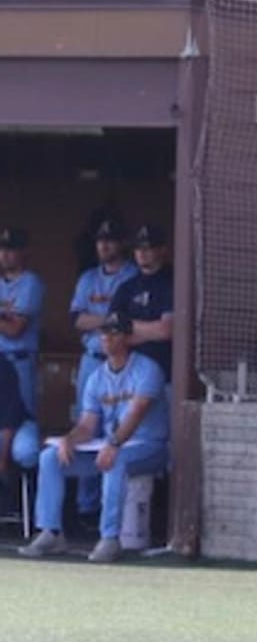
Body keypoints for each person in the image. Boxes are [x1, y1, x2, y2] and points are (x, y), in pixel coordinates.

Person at [19, 310, 169, 564]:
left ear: (128, 338)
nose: (107, 338)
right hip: (110, 446)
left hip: (149, 446)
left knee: (115, 460)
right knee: (50, 457)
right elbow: (88, 425)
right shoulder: (97, 376)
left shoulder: (147, 369)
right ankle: (51, 532)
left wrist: (113, 443)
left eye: (114, 333)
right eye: (104, 333)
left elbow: (136, 414)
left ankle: (110, 538)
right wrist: (69, 440)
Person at [69, 218, 138, 517]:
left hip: (124, 363)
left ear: (122, 243)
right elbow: (77, 320)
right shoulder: (88, 278)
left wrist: (98, 319)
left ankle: (113, 508)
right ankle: (86, 506)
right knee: (87, 427)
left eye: (110, 240)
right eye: (100, 240)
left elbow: (129, 322)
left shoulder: (132, 275)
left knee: (120, 428)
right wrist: (110, 319)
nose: (104, 245)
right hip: (92, 360)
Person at [110, 223, 175, 388]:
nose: (142, 253)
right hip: (131, 377)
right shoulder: (127, 287)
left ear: (162, 249)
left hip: (165, 375)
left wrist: (129, 326)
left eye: (149, 247)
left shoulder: (173, 281)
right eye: (138, 248)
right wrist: (150, 330)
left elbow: (166, 330)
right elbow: (112, 331)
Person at [0, 227, 46, 419]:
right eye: (2, 249)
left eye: (11, 249)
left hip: (19, 361)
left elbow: (14, 329)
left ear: (23, 252)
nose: (4, 254)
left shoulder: (31, 283)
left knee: (22, 420)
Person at [0, 355, 38, 517]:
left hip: (13, 426)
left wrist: (2, 459)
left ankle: (25, 502)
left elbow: (10, 418)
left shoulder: (4, 366)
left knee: (26, 450)